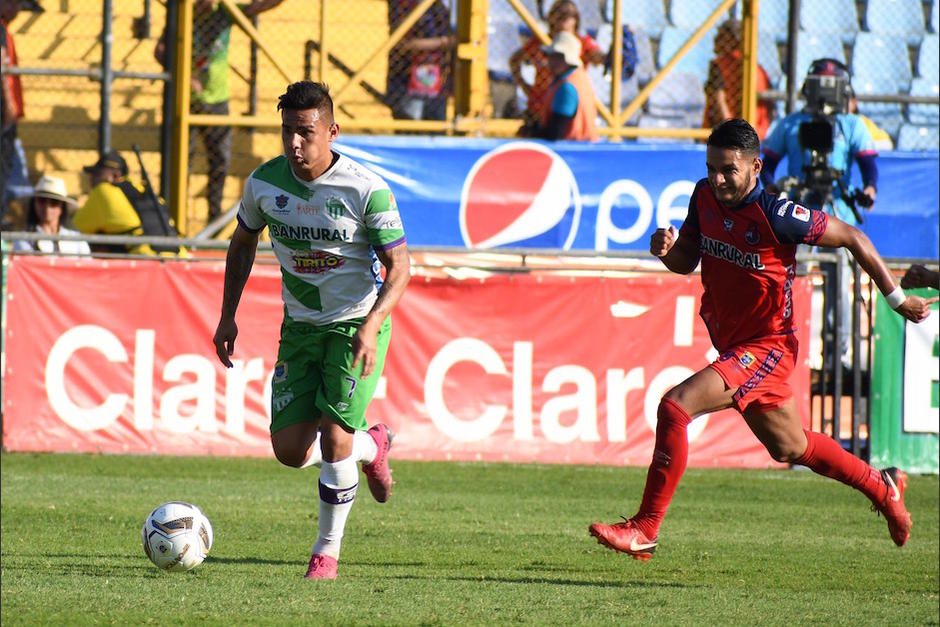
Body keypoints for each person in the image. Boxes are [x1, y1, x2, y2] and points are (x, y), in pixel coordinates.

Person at [589, 118, 937, 561]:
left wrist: (897, 299)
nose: (717, 179)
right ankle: (882, 486)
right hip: (737, 346)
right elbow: (686, 259)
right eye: (711, 168)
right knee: (790, 446)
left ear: (756, 167)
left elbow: (853, 236)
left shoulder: (778, 216)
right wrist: (666, 250)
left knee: (675, 407)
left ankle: (645, 528)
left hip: (768, 346)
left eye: (728, 170)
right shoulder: (703, 196)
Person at [212, 80, 411, 580]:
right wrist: (228, 314)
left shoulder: (365, 189)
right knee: (290, 451)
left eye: (306, 132)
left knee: (335, 440)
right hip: (299, 327)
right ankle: (374, 445)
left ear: (332, 131)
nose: (295, 143)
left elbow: (400, 266)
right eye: (287, 132)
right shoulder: (264, 183)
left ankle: (326, 553)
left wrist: (373, 323)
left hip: (354, 324)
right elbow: (241, 244)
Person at [761, 58, 879, 368]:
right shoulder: (791, 123)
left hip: (837, 215)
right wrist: (771, 187)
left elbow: (868, 164)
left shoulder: (851, 124)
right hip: (797, 212)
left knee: (840, 284)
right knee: (789, 279)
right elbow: (767, 163)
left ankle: (837, 358)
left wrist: (870, 188)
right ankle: (781, 350)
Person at [154, 0, 283, 221]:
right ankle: (173, 218)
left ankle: (213, 218)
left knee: (220, 160)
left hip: (217, 101)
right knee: (181, 161)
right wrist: (186, 76)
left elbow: (257, 7)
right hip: (186, 100)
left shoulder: (224, 12)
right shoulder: (182, 12)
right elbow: (159, 51)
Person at [510, 0, 604, 136]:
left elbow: (598, 56)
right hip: (539, 106)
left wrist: (610, 57)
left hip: (565, 106)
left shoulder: (581, 43)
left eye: (568, 15)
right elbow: (514, 60)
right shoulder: (540, 41)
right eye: (559, 14)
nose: (563, 19)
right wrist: (525, 86)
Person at [72, 150, 184, 256]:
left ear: (116, 175)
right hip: (180, 258)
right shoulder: (147, 193)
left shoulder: (103, 191)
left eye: (97, 174)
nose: (91, 179)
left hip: (144, 261)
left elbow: (73, 228)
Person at [702, 19, 774, 139]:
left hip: (728, 136)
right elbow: (771, 109)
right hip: (756, 135)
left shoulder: (719, 65)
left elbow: (719, 101)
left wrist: (732, 132)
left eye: (721, 36)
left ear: (732, 40)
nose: (715, 39)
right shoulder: (759, 69)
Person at [385, 0, 454, 123]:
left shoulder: (440, 6)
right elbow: (405, 44)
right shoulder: (404, 5)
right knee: (410, 124)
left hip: (437, 80)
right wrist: (443, 42)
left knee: (436, 125)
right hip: (407, 79)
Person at [530, 30, 599, 141]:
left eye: (558, 56)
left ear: (568, 59)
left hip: (570, 148)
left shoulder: (566, 87)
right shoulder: (580, 77)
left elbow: (556, 133)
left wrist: (531, 132)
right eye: (550, 56)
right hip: (585, 147)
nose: (552, 61)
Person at [12, 174, 91, 255]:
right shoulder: (24, 239)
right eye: (42, 201)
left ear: (62, 207)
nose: (47, 208)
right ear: (34, 204)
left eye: (54, 202)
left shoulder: (76, 239)